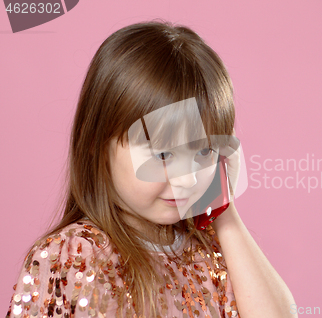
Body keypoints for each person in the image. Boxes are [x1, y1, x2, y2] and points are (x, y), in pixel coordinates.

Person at [5, 20, 297, 318]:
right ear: (97, 145)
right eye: (164, 154)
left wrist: (224, 210)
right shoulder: (72, 255)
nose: (187, 178)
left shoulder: (213, 251)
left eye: (205, 151)